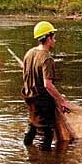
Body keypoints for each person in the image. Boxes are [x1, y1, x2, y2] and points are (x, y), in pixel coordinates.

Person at [21, 21, 72, 151]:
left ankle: (28, 152)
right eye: (53, 37)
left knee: (32, 124)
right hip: (42, 101)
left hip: (29, 98)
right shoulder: (47, 59)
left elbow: (25, 76)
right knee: (47, 133)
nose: (55, 40)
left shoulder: (29, 53)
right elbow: (47, 85)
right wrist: (62, 101)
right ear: (48, 38)